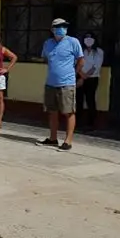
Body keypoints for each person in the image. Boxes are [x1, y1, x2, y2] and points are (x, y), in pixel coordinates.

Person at [38, 18, 84, 151]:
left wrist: (73, 73)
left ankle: (68, 141)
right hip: (51, 83)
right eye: (59, 26)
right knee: (52, 111)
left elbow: (81, 60)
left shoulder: (73, 42)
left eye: (64, 26)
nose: (62, 29)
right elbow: (46, 59)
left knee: (69, 111)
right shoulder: (48, 43)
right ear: (52, 29)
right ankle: (53, 138)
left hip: (67, 84)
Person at [76, 31, 104, 129]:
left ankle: (91, 123)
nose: (88, 41)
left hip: (92, 79)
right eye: (86, 39)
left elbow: (96, 67)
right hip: (79, 76)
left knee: (90, 100)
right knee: (78, 100)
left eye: (90, 39)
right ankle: (77, 122)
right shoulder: (80, 51)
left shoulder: (99, 52)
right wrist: (80, 76)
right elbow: (76, 64)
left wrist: (83, 78)